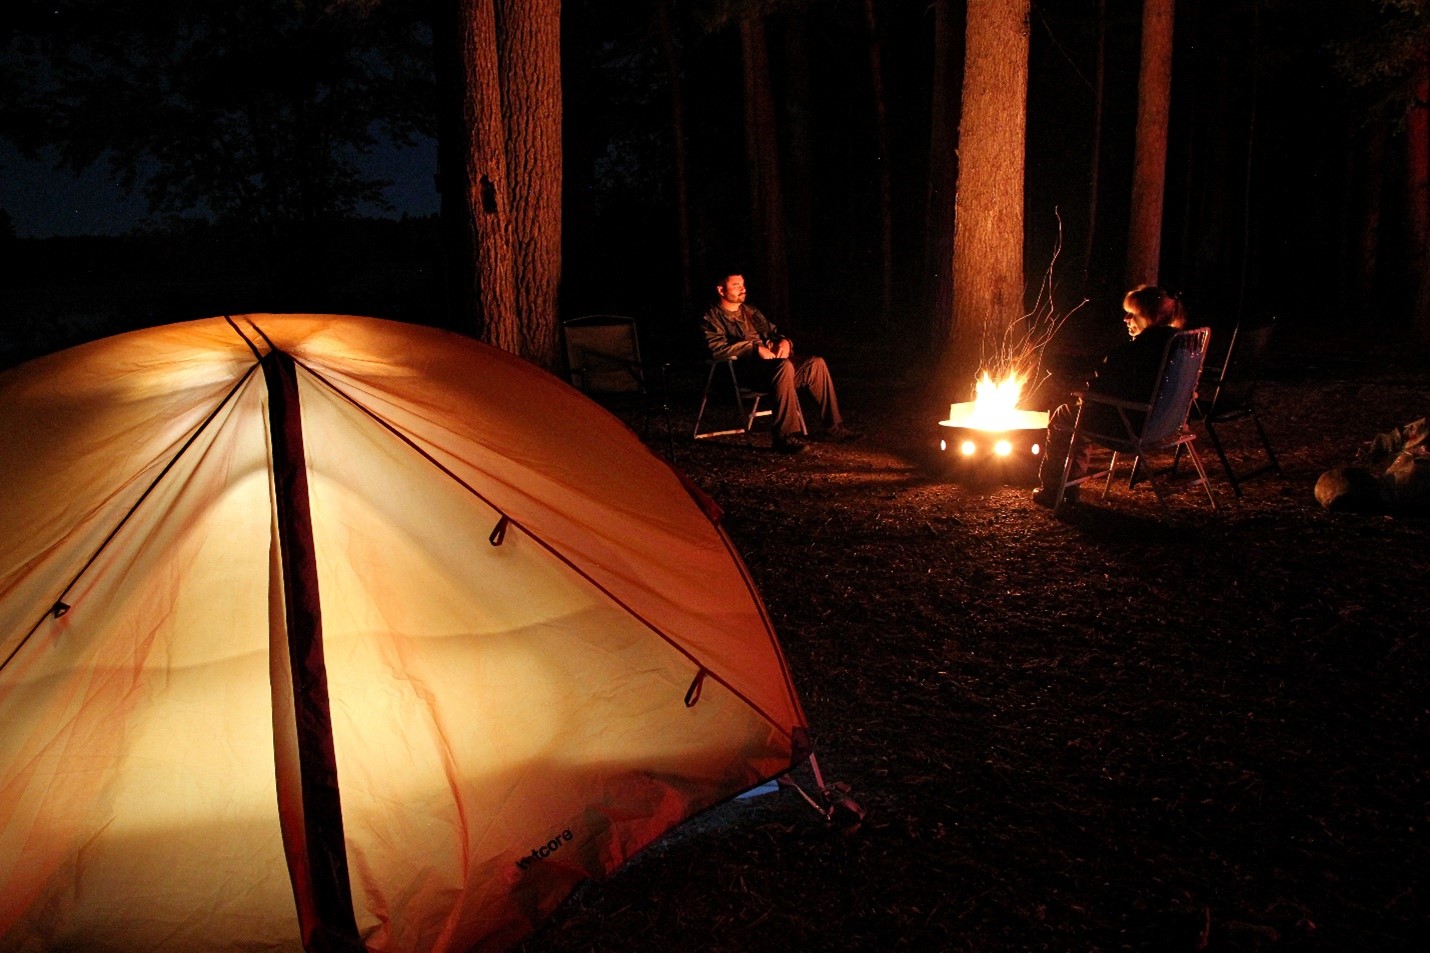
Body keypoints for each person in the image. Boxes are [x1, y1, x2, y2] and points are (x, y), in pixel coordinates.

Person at [1031, 284, 1181, 507]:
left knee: (1066, 414)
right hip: (1167, 424)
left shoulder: (1132, 352)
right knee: (1081, 412)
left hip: (1132, 427)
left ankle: (1055, 488)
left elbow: (1098, 393)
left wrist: (1083, 392)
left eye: (1133, 314)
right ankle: (1067, 485)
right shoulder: (1180, 344)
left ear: (1152, 317)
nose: (1126, 319)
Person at [699, 272, 855, 453]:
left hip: (773, 368)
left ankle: (834, 427)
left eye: (743, 284)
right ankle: (783, 437)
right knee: (784, 366)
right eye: (736, 285)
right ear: (721, 290)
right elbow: (716, 348)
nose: (743, 289)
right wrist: (754, 349)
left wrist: (784, 342)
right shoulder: (711, 317)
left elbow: (774, 332)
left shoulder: (750, 312)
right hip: (742, 372)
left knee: (815, 364)